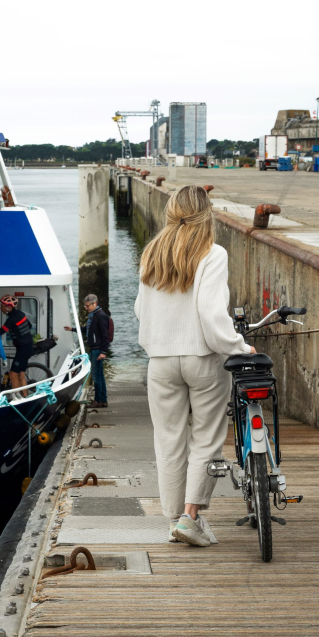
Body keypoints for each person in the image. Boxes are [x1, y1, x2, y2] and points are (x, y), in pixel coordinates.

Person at [134, 185, 255, 548]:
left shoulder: (152, 253)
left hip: (161, 361)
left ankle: (173, 519)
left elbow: (141, 310)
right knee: (206, 438)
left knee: (168, 439)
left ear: (172, 211)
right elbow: (211, 313)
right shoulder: (212, 253)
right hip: (201, 359)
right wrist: (238, 346)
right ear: (207, 214)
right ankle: (191, 516)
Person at [65, 295, 111, 405]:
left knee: (96, 375)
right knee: (99, 375)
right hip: (95, 348)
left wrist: (104, 351)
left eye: (87, 306)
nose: (86, 308)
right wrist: (73, 329)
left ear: (94, 303)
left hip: (98, 349)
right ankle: (102, 400)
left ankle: (98, 400)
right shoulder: (93, 315)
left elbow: (105, 335)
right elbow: (88, 330)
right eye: (85, 306)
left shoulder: (100, 315)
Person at [0, 295, 35, 394]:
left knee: (12, 375)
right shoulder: (20, 313)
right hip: (27, 347)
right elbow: (30, 325)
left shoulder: (11, 319)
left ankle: (18, 399)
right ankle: (25, 398)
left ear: (9, 307)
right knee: (21, 375)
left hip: (23, 348)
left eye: (2, 306)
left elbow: (1, 332)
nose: (0, 307)